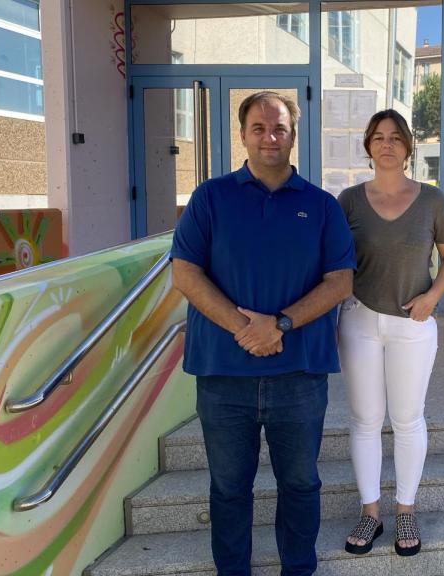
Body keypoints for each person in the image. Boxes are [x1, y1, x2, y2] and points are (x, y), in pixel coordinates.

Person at [171, 91, 355, 576]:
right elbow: (185, 273)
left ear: (294, 135)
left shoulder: (321, 205)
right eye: (259, 128)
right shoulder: (210, 198)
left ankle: (299, 569)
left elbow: (340, 281)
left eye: (280, 128)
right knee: (229, 488)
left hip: (299, 375)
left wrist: (281, 324)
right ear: (243, 134)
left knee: (301, 485)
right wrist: (246, 328)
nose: (270, 137)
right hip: (223, 375)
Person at [336, 109, 444, 557]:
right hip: (359, 320)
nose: (386, 144)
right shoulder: (347, 201)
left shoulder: (431, 201)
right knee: (365, 420)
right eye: (378, 137)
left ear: (408, 147)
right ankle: (371, 513)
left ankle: (405, 508)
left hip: (414, 324)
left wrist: (432, 298)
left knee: (407, 419)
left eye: (395, 137)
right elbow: (331, 261)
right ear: (368, 145)